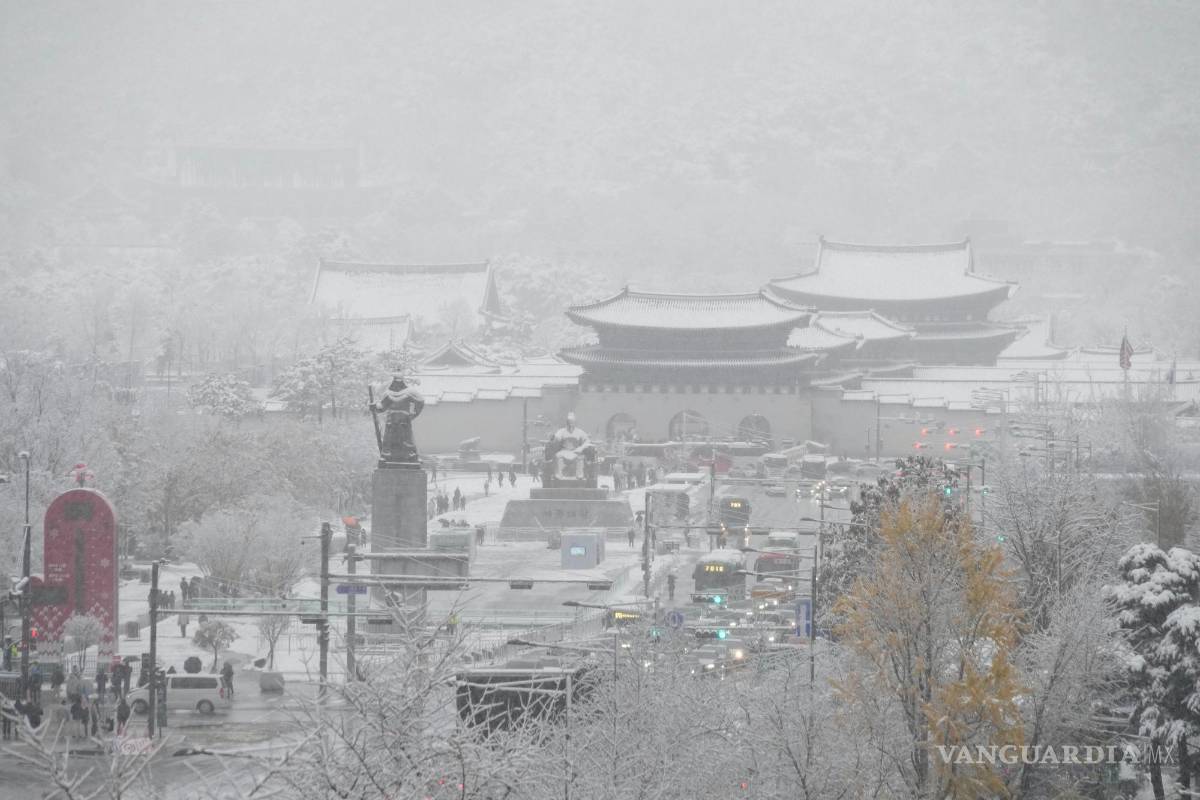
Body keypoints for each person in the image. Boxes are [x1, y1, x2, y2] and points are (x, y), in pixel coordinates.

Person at [369, 375, 425, 464]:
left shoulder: (410, 392)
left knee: (406, 440)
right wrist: (374, 406)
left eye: (399, 381)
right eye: (395, 381)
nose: (397, 384)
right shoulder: (388, 393)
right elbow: (382, 407)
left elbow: (420, 402)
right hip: (391, 420)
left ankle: (411, 456)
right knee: (389, 440)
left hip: (404, 420)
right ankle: (387, 456)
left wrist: (413, 414)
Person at [550, 413, 591, 480]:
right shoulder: (561, 431)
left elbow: (587, 441)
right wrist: (555, 438)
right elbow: (557, 438)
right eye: (569, 422)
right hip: (564, 451)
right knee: (557, 456)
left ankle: (580, 475)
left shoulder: (580, 432)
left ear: (575, 423)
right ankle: (558, 475)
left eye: (572, 422)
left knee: (580, 457)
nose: (571, 424)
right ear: (567, 423)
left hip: (576, 451)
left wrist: (581, 448)